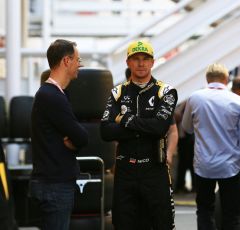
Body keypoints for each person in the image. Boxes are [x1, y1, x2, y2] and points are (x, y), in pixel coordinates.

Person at [100, 40, 177, 230]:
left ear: (152, 62)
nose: (141, 63)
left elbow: (159, 128)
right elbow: (105, 131)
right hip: (125, 170)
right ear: (128, 63)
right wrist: (145, 127)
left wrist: (125, 119)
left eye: (145, 59)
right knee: (124, 223)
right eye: (136, 59)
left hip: (155, 169)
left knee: (162, 223)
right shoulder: (117, 92)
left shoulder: (166, 92)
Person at [182, 63, 240, 230]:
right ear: (226, 79)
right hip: (230, 166)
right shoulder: (238, 101)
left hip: (203, 165)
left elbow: (186, 128)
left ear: (207, 79)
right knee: (231, 213)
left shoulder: (195, 98)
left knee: (204, 210)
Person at [29, 39, 89, 230]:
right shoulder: (51, 96)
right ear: (66, 61)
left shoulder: (55, 94)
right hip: (54, 185)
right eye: (77, 60)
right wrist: (75, 139)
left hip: (52, 183)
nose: (79, 65)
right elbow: (81, 136)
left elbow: (75, 135)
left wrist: (73, 139)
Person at [174, 101, 195, 193]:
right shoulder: (180, 103)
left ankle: (194, 186)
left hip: (191, 138)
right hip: (183, 138)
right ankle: (180, 186)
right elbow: (177, 116)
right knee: (183, 163)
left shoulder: (191, 103)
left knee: (191, 163)